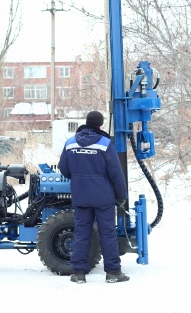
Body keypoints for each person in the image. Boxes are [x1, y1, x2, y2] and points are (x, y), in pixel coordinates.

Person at [58, 110, 130, 284]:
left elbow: (64, 168)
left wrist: (79, 179)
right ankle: (113, 272)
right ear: (100, 125)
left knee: (82, 233)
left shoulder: (70, 143)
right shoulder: (105, 143)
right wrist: (121, 195)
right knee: (107, 234)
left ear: (86, 122)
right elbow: (116, 173)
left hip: (81, 196)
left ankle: (79, 274)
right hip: (103, 197)